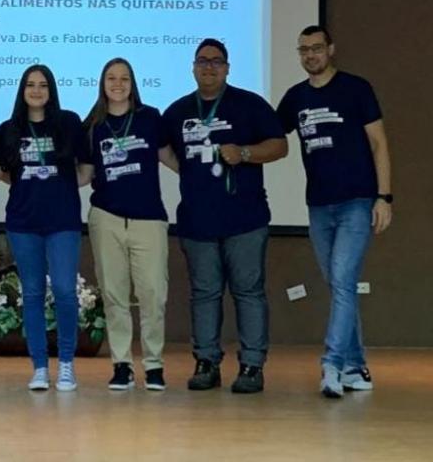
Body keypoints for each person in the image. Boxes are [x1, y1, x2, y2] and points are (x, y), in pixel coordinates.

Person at [161, 39, 287, 394]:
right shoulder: (178, 111)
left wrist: (245, 152)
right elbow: (164, 150)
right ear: (193, 67)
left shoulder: (249, 104)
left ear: (228, 67)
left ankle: (251, 365)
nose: (209, 67)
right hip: (197, 221)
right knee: (204, 293)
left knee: (248, 292)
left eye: (217, 62)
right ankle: (206, 362)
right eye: (202, 61)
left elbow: (280, 145)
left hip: (245, 219)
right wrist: (186, 172)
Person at [277, 25, 392, 399]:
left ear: (331, 50)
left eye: (316, 48)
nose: (310, 55)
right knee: (339, 286)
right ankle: (356, 368)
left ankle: (331, 363)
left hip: (356, 202)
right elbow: (270, 134)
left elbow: (379, 144)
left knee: (343, 282)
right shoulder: (295, 98)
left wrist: (384, 197)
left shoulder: (356, 89)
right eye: (304, 50)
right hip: (318, 207)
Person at [0, 64, 87, 392]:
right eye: (31, 85)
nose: (37, 90)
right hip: (23, 222)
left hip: (62, 221)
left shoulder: (69, 123)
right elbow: (3, 172)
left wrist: (60, 185)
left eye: (43, 85)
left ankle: (65, 364)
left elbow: (86, 167)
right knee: (32, 293)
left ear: (52, 90)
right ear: (22, 90)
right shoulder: (9, 129)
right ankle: (38, 367)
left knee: (64, 290)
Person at [79, 58, 170, 391]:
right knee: (114, 295)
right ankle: (121, 365)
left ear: (134, 83)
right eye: (111, 78)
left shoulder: (150, 118)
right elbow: (84, 175)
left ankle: (154, 365)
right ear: (102, 84)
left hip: (148, 219)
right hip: (107, 218)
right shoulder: (93, 125)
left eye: (124, 78)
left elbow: (170, 158)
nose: (118, 84)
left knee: (153, 294)